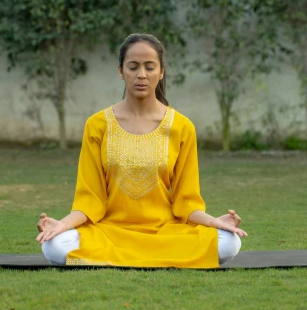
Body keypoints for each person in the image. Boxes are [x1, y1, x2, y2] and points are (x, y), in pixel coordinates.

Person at [35, 33, 247, 268]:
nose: (141, 75)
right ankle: (151, 257)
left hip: (165, 233)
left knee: (229, 241)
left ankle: (124, 257)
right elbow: (90, 200)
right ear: (120, 71)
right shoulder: (97, 125)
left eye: (149, 67)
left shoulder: (181, 126)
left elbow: (186, 201)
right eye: (133, 67)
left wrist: (214, 222)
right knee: (54, 246)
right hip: (109, 232)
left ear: (161, 71)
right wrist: (62, 225)